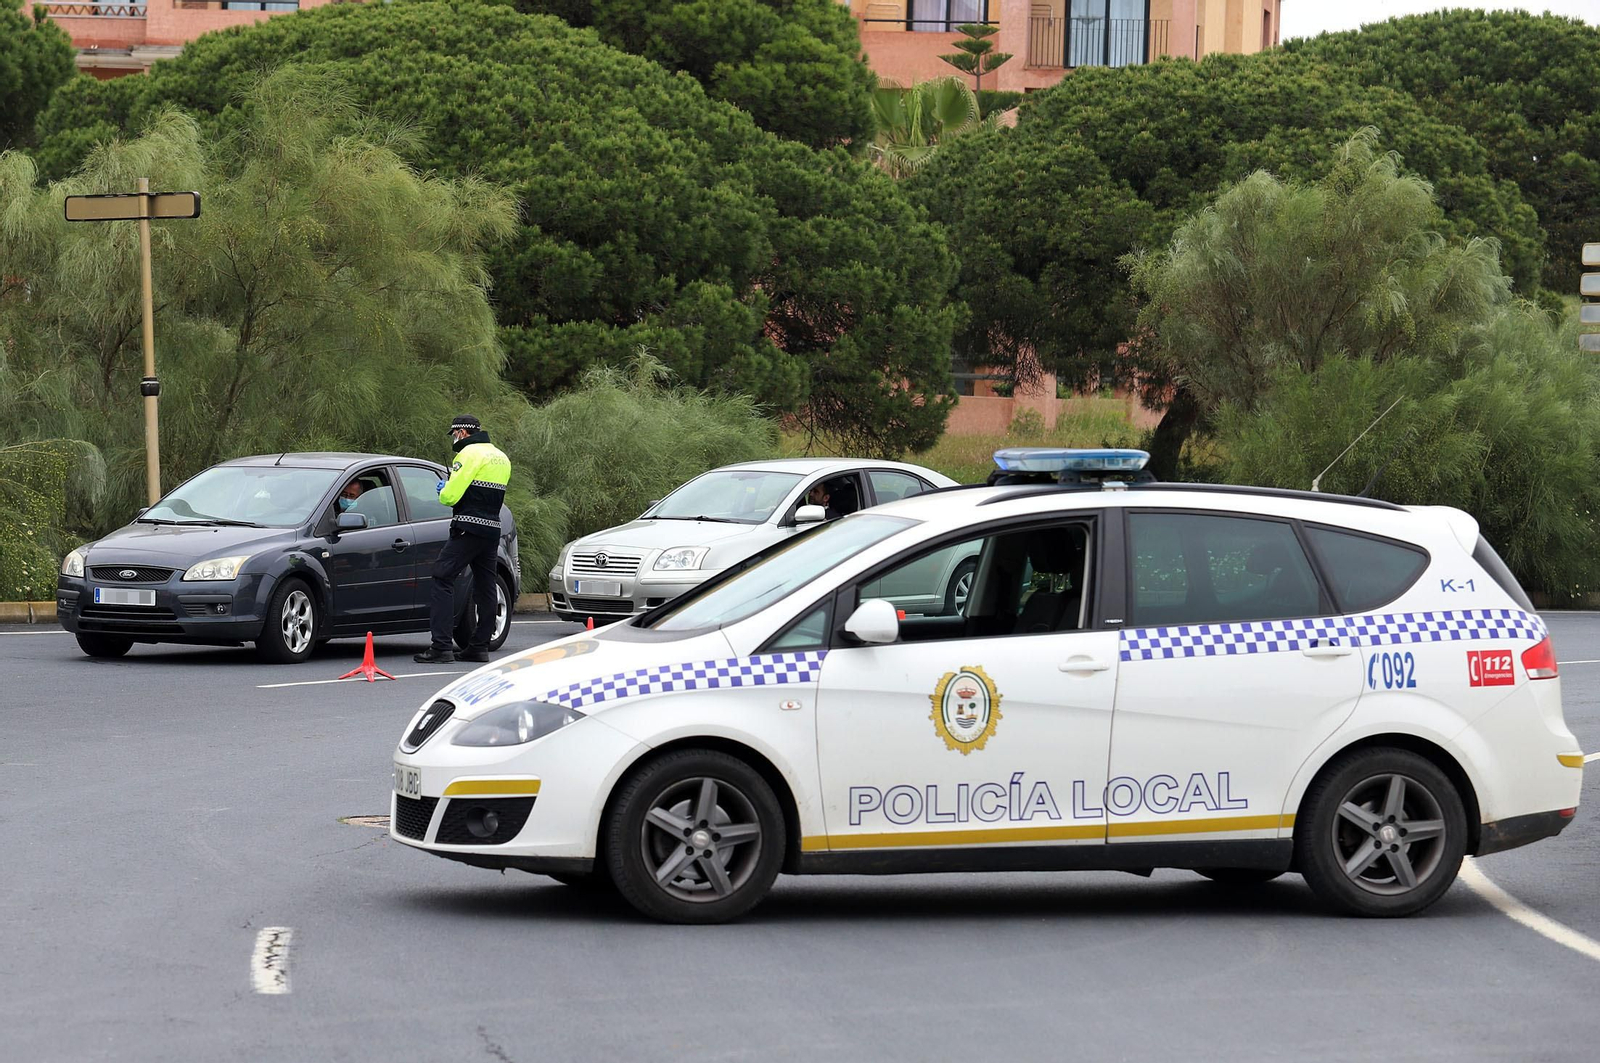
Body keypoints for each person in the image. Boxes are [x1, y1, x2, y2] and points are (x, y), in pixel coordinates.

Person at [414, 415, 512, 664]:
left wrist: (444, 489)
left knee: (442, 576)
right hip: (491, 530)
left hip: (467, 527)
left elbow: (450, 497)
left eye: (454, 434)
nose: (454, 439)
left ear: (462, 432)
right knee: (486, 586)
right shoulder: (501, 457)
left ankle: (441, 647)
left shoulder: (468, 455)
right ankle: (479, 647)